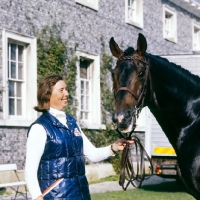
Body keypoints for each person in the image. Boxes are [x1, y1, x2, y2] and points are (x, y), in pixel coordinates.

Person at [25, 74, 133, 200]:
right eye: (61, 90)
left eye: (66, 89)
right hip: (55, 196)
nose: (66, 93)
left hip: (81, 194)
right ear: (47, 94)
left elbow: (92, 154)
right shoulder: (39, 128)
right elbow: (30, 171)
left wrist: (113, 148)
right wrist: (37, 197)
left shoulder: (72, 122)